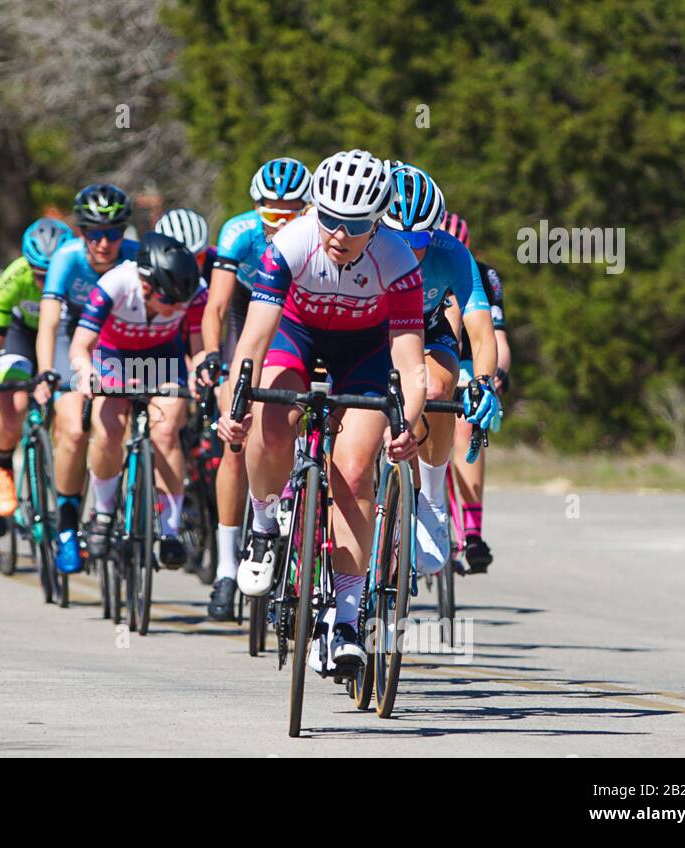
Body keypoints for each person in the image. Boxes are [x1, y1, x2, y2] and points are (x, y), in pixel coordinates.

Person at [218, 149, 426, 674]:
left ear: (377, 221)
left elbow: (410, 361)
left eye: (354, 225)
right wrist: (235, 407)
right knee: (269, 423)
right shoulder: (290, 244)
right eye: (329, 218)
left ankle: (348, 619)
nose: (338, 234)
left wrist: (410, 425)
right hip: (296, 335)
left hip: (364, 351)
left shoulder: (399, 261)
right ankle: (264, 523)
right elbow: (254, 341)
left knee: (354, 471)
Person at [198, 157, 312, 621]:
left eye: (290, 207)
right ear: (255, 205)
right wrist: (212, 356)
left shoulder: (316, 235)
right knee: (235, 433)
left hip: (301, 320)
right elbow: (218, 305)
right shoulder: (239, 231)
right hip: (252, 316)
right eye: (270, 208)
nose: (279, 216)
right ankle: (227, 568)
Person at [381, 165, 501, 579]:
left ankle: (432, 499)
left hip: (427, 325)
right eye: (400, 239)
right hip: (366, 329)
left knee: (436, 385)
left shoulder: (452, 254)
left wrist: (483, 384)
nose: (411, 249)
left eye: (420, 240)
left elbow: (483, 336)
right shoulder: (360, 244)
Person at [69, 232, 207, 568]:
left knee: (166, 430)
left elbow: (198, 346)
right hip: (113, 357)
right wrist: (87, 374)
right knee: (109, 428)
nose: (178, 309)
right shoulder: (115, 284)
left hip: (163, 359)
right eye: (172, 302)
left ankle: (170, 529)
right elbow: (80, 346)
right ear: (147, 287)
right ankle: (102, 514)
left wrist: (199, 374)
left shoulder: (195, 292)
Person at [34, 184, 139, 574]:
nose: (105, 243)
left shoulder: (134, 255)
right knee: (74, 429)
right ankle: (65, 526)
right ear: (81, 233)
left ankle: (114, 507)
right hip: (70, 336)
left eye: (114, 233)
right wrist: (47, 372)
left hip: (115, 339)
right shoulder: (65, 258)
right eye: (95, 233)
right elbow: (48, 324)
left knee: (118, 423)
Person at [0, 217, 74, 517]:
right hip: (20, 334)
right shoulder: (12, 279)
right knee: (12, 406)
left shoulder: (78, 275)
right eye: (39, 275)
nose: (46, 283)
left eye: (52, 274)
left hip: (60, 334)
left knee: (68, 406)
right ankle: (2, 465)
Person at [442, 212, 511, 571]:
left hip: (470, 361)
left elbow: (496, 336)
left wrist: (497, 375)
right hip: (422, 354)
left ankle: (471, 531)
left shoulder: (483, 274)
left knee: (467, 423)